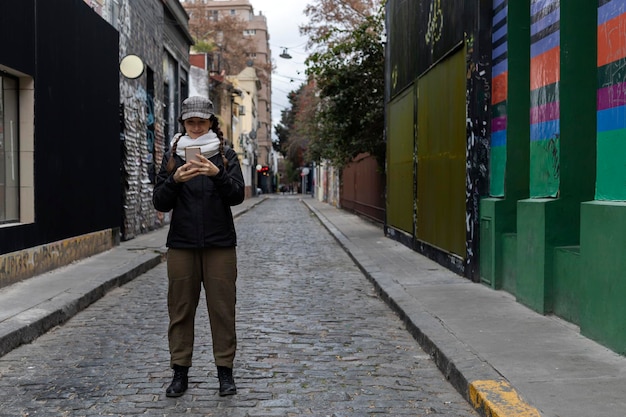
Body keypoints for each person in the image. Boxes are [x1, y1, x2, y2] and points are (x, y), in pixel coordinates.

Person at [152, 96, 245, 398]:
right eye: (190, 122)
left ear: (210, 123)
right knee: (180, 310)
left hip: (219, 243)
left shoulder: (225, 154)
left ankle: (225, 373)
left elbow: (237, 197)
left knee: (222, 309)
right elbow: (160, 201)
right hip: (182, 244)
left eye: (200, 122)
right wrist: (175, 180)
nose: (195, 127)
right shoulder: (172, 156)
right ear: (183, 124)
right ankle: (180, 373)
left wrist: (217, 175)